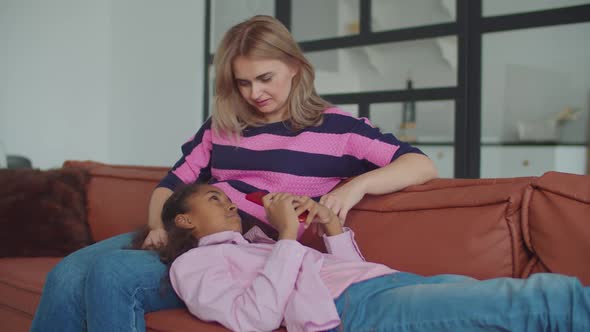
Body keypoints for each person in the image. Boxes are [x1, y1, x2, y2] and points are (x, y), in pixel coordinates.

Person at [31, 15, 437, 331]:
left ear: (294, 66)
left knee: (113, 273)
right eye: (242, 83)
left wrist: (356, 188)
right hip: (187, 237)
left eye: (265, 78)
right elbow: (169, 186)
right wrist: (157, 226)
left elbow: (420, 163)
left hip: (235, 259)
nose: (254, 93)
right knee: (66, 274)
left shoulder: (338, 129)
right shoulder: (222, 128)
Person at [162, 182, 590, 332]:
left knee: (509, 305)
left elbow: (343, 268)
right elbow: (252, 319)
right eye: (215, 199)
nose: (230, 204)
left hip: (384, 282)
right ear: (184, 220)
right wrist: (289, 235)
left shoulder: (256, 245)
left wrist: (331, 228)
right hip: (358, 307)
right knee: (538, 302)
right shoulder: (193, 265)